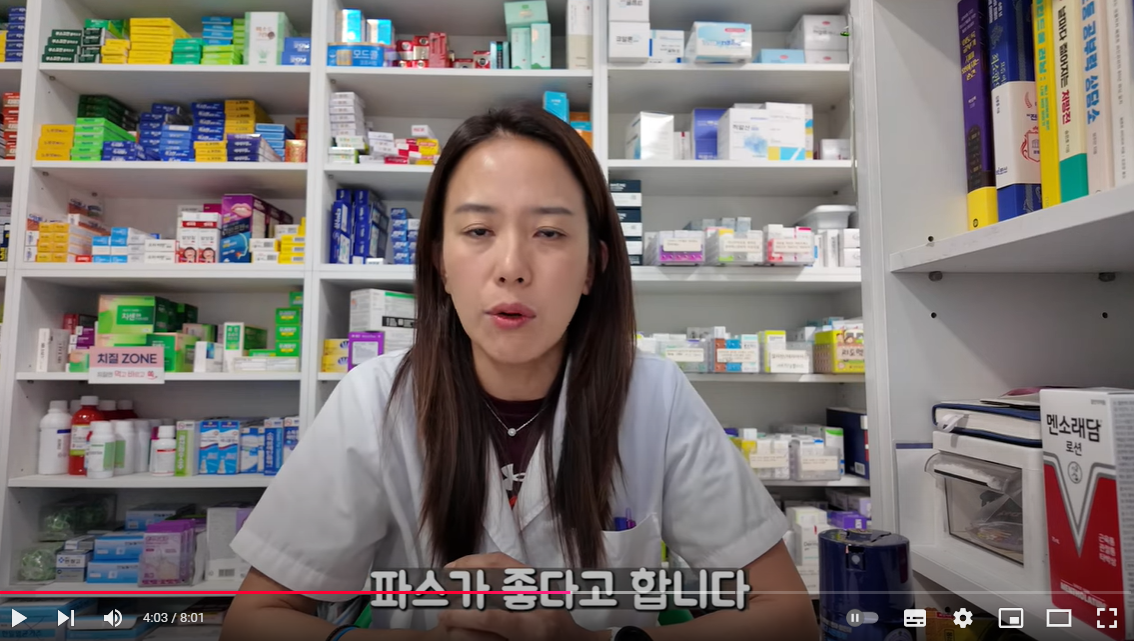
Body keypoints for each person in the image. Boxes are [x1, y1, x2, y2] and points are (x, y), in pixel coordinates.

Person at [221, 104, 816, 641]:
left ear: (592, 266)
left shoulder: (654, 397)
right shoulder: (374, 399)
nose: (511, 267)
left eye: (549, 233)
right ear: (440, 261)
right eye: (478, 231)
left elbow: (788, 617)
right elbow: (254, 621)